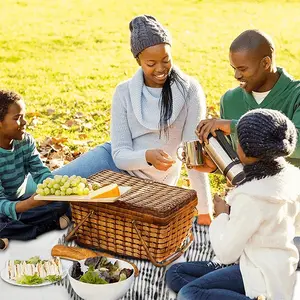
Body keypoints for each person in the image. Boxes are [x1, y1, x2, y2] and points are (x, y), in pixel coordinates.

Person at [41, 15, 212, 224]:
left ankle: (56, 217)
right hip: (113, 163)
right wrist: (147, 156)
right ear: (138, 61)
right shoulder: (124, 92)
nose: (160, 69)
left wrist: (205, 212)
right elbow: (120, 154)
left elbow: (193, 157)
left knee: (88, 214)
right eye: (151, 63)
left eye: (166, 60)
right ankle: (10, 209)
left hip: (151, 186)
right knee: (48, 187)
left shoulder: (189, 91)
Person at [166, 108, 300, 300]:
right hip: (274, 267)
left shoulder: (250, 197)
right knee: (176, 273)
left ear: (244, 150)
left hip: (259, 275)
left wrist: (222, 215)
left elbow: (226, 252)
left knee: (189, 293)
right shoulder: (292, 177)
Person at [195, 29, 300, 172]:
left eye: (242, 69)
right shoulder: (230, 100)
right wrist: (216, 167)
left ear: (265, 63)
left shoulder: (296, 95)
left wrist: (235, 127)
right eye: (234, 68)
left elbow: (296, 144)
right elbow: (238, 162)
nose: (236, 75)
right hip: (249, 190)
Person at [0, 90, 70, 250]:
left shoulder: (25, 141)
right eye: (17, 118)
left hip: (20, 200)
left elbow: (40, 172)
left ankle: (10, 232)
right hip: (5, 206)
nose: (24, 122)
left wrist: (55, 190)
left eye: (23, 116)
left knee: (65, 203)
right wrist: (29, 205)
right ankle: (44, 225)